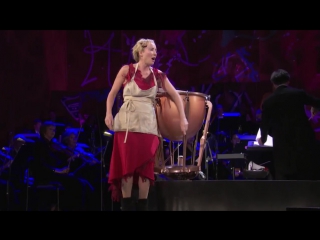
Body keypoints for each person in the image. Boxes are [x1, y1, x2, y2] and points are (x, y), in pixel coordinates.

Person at [105, 38, 188, 211]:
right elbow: (112, 94)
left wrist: (183, 118)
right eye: (151, 49)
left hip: (147, 127)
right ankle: (126, 206)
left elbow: (176, 96)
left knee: (145, 168)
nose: (155, 53)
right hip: (127, 125)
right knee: (127, 168)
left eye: (156, 50)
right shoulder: (126, 70)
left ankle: (142, 206)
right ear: (141, 52)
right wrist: (108, 113)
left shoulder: (158, 74)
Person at [257, 69, 320, 180]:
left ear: (273, 83)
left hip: (282, 143)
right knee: (304, 175)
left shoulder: (269, 101)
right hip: (302, 140)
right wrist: (315, 107)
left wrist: (263, 138)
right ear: (288, 81)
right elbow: (317, 102)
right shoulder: (299, 93)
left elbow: (264, 123)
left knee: (284, 177)